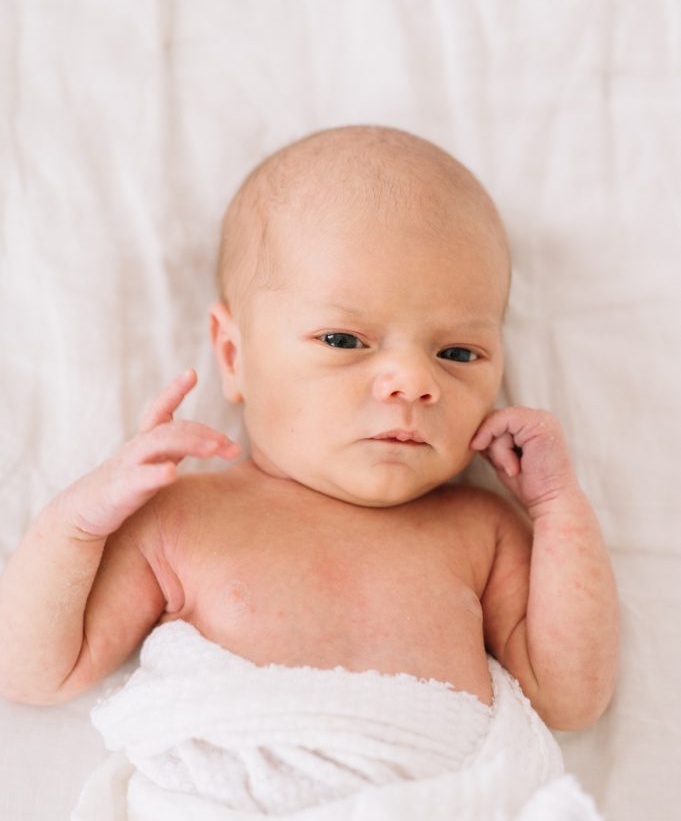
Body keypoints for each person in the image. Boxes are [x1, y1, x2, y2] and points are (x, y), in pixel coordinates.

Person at [0, 124, 618, 726]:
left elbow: (568, 700)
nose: (413, 380)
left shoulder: (481, 533)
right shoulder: (179, 520)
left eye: (457, 353)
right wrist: (79, 523)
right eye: (345, 339)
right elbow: (33, 673)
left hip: (438, 820)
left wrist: (559, 509)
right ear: (235, 356)